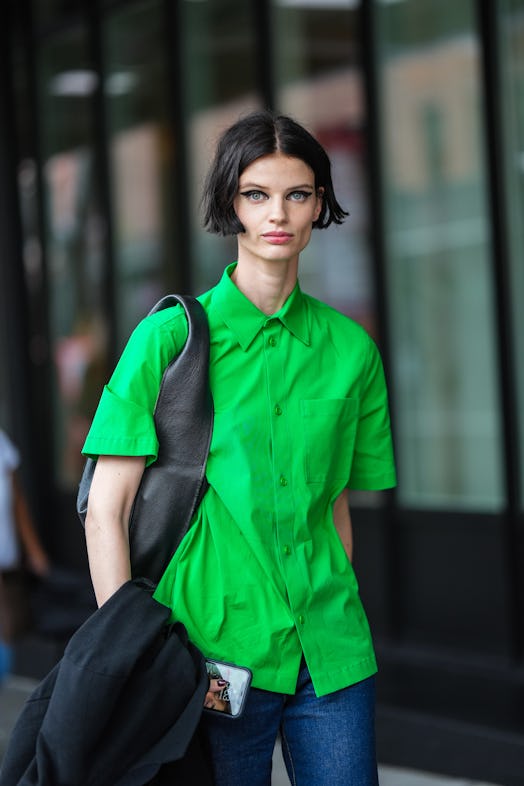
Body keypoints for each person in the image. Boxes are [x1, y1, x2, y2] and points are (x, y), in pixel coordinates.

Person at [82, 110, 396, 786]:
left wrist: (337, 595)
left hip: (330, 652)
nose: (277, 213)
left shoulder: (351, 351)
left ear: (320, 206)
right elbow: (106, 511)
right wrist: (131, 656)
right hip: (210, 656)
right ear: (231, 203)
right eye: (257, 194)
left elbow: (335, 501)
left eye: (298, 193)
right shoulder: (169, 340)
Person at [0, 428, 50, 680]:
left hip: (7, 568)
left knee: (11, 641)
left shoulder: (1, 443)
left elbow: (17, 500)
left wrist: (34, 550)